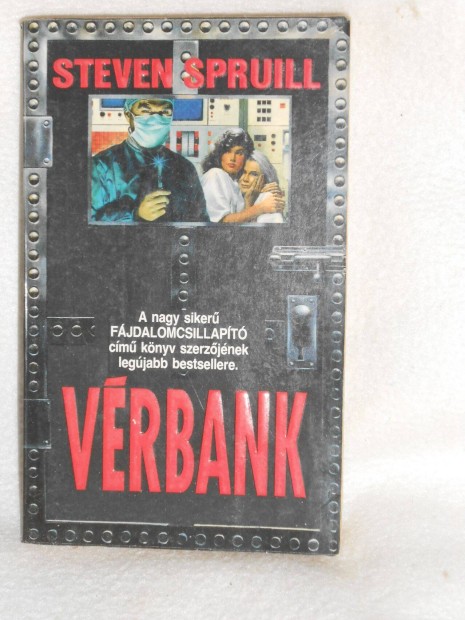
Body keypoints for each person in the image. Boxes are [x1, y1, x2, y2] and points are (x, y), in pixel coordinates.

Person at [91, 98, 209, 223]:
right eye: (146, 111)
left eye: (165, 112)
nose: (156, 119)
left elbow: (200, 221)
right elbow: (88, 222)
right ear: (128, 114)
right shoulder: (101, 166)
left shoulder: (184, 167)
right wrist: (135, 214)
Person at [239, 151, 285, 224]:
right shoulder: (234, 190)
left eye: (253, 174)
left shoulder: (267, 199)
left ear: (265, 179)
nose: (245, 179)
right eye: (244, 172)